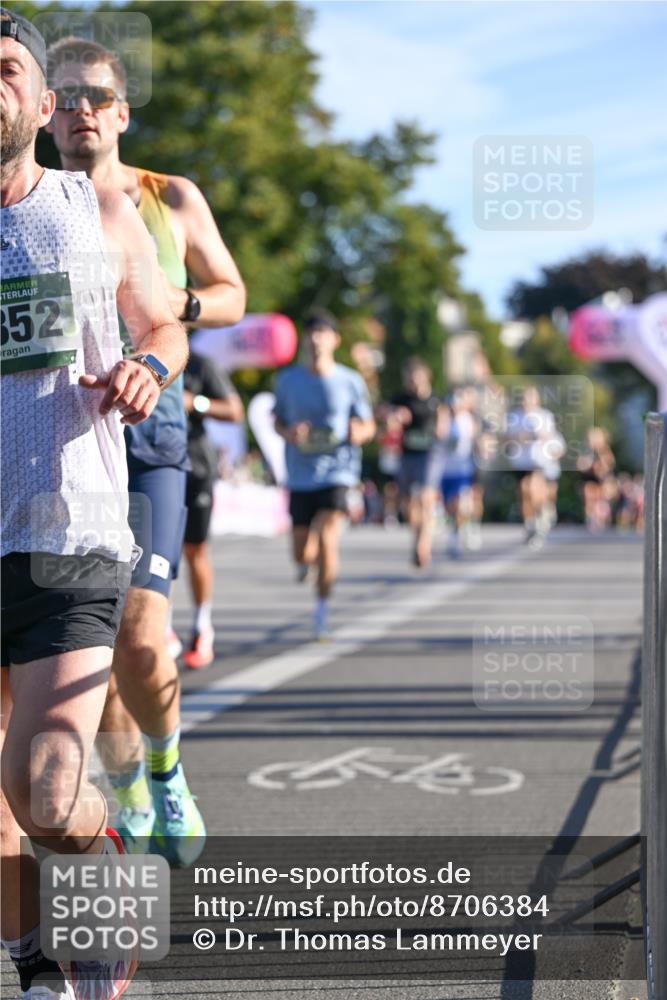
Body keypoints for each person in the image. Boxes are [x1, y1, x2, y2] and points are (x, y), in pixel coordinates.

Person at [0, 10, 188, 999]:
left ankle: (101, 891)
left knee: (48, 791)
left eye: (7, 70)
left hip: (65, 531)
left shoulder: (94, 210)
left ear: (40, 103)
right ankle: (37, 960)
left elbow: (163, 319)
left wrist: (152, 362)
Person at [46, 37, 246, 865]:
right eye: (63, 97)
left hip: (154, 432)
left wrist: (177, 304)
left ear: (122, 112)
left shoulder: (167, 196)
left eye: (96, 95)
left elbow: (234, 296)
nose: (79, 109)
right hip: (61, 433)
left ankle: (165, 772)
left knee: (138, 629)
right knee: (87, 639)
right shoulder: (29, 199)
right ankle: (126, 784)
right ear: (43, 112)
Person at [273, 309, 375, 638]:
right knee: (303, 551)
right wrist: (288, 432)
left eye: (323, 333)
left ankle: (321, 610)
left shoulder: (350, 381)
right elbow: (277, 419)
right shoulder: (287, 380)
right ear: (305, 339)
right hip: (301, 474)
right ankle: (306, 565)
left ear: (335, 340)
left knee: (329, 538)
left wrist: (360, 432)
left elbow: (369, 424)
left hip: (339, 472)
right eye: (311, 332)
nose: (316, 339)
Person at [179, 351, 244, 669]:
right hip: (145, 465)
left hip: (195, 467)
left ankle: (202, 625)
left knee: (194, 551)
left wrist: (196, 403)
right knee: (149, 559)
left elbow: (234, 410)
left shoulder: (201, 364)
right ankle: (160, 630)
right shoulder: (127, 352)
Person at [380, 358, 443, 567]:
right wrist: (393, 418)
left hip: (429, 455)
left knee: (426, 498)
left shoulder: (435, 400)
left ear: (426, 378)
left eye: (416, 378)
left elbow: (443, 428)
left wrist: (439, 430)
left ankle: (423, 545)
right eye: (409, 379)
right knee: (408, 503)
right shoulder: (401, 399)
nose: (412, 383)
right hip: (406, 455)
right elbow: (383, 414)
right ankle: (418, 538)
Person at [504, 386, 565, 548]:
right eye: (524, 397)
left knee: (533, 491)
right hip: (520, 461)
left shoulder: (544, 416)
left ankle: (542, 515)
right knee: (524, 493)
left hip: (538, 460)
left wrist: (538, 434)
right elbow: (508, 437)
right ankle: (530, 524)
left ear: (536, 399)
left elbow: (550, 436)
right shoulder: (514, 416)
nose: (526, 401)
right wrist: (520, 436)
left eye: (530, 397)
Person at [435, 386, 479, 557]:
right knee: (448, 506)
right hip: (445, 468)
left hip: (463, 467)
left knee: (460, 503)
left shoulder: (468, 419)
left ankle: (460, 532)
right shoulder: (443, 417)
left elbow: (476, 439)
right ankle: (456, 529)